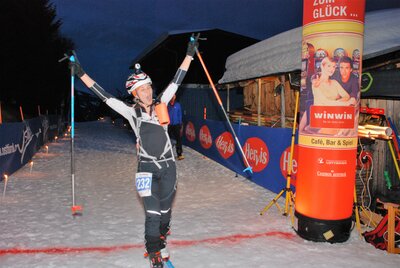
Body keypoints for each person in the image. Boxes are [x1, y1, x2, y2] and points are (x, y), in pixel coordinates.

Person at [68, 37, 199, 268]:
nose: (147, 92)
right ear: (135, 94)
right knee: (152, 213)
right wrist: (80, 74)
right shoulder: (131, 112)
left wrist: (189, 54)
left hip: (169, 167)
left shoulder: (162, 103)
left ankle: (161, 238)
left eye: (148, 87)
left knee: (165, 214)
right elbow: (104, 95)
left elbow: (177, 79)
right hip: (145, 170)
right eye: (142, 89)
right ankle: (154, 255)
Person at [167, 94, 184, 160]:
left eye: (174, 96)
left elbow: (180, 114)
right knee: (167, 139)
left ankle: (179, 154)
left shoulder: (177, 105)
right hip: (169, 125)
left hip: (176, 125)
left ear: (175, 96)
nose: (172, 97)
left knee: (178, 140)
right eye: (171, 96)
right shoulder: (167, 105)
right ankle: (167, 154)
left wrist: (180, 123)